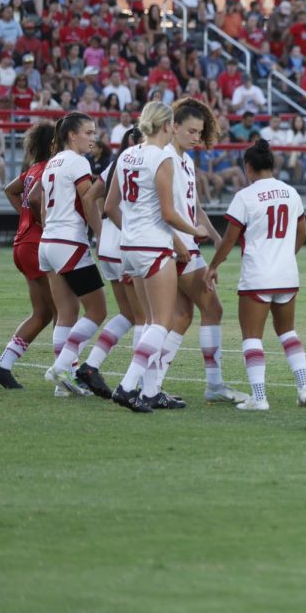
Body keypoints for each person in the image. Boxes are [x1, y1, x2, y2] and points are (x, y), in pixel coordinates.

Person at [107, 102, 209, 412]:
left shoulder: (126, 154)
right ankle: (126, 387)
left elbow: (111, 205)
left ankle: (149, 392)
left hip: (129, 246)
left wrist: (134, 231)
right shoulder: (163, 157)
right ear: (168, 126)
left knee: (149, 321)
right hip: (154, 246)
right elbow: (168, 213)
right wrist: (196, 229)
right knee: (162, 322)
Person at [204, 139, 306, 411]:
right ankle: (305, 387)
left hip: (257, 275)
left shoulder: (245, 197)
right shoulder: (291, 192)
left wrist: (213, 265)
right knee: (287, 332)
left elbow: (229, 239)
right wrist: (286, 255)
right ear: (272, 165)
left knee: (252, 336)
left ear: (247, 167)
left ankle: (259, 397)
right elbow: (303, 233)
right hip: (287, 274)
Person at [157, 98, 249, 404]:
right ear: (173, 128)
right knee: (213, 310)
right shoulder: (166, 158)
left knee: (182, 316)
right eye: (192, 131)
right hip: (177, 249)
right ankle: (213, 384)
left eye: (200, 131)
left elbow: (193, 207)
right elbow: (159, 209)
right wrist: (180, 243)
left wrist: (216, 236)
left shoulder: (185, 160)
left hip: (186, 246)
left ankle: (152, 382)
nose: (197, 136)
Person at [37, 113, 108, 396]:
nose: (93, 138)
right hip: (69, 241)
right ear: (71, 135)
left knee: (67, 312)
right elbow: (88, 199)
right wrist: (102, 234)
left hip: (49, 242)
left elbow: (43, 211)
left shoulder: (51, 163)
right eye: (88, 133)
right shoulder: (78, 162)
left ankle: (62, 386)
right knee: (98, 310)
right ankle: (62, 367)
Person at [71, 127, 145, 398]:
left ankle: (90, 366)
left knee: (128, 314)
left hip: (108, 247)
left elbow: (90, 197)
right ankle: (138, 385)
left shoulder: (116, 162)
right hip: (129, 245)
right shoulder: (149, 161)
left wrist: (100, 233)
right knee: (145, 319)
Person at [0, 122, 57, 389]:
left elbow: (11, 190)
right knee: (62, 310)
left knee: (43, 312)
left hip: (22, 244)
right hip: (36, 244)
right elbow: (34, 200)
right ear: (53, 144)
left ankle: (3, 364)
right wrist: (42, 222)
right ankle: (65, 371)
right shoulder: (49, 169)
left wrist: (24, 217)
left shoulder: (32, 169)